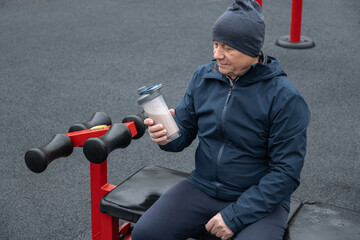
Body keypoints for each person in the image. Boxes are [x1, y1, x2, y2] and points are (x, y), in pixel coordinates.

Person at [132, 0, 310, 239]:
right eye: (215, 44)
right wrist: (166, 136)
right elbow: (180, 136)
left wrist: (235, 216)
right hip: (203, 186)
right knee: (146, 233)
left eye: (227, 48)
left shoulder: (285, 98)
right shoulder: (203, 77)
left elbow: (286, 173)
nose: (217, 55)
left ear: (251, 50)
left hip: (258, 199)